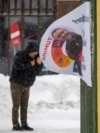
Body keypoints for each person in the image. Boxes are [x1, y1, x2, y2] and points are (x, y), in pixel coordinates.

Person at [9, 40, 43, 131]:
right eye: (33, 52)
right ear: (29, 51)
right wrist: (29, 64)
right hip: (16, 83)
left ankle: (24, 124)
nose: (34, 54)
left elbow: (37, 72)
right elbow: (17, 67)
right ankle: (15, 124)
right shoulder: (20, 55)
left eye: (36, 52)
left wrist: (39, 65)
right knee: (16, 105)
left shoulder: (36, 58)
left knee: (24, 105)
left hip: (27, 84)